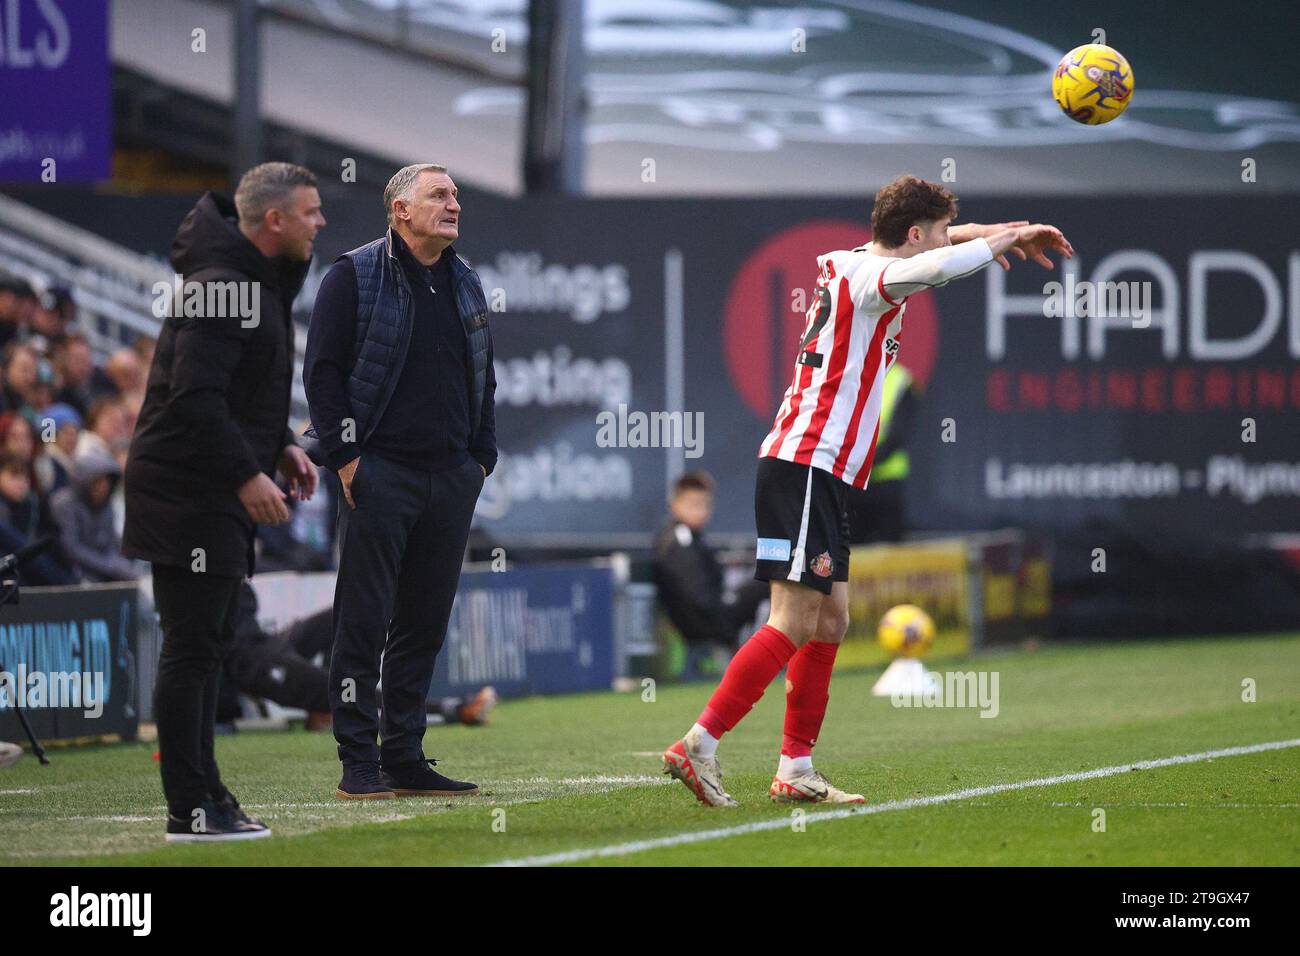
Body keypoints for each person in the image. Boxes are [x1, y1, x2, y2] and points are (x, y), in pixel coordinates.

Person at [661, 175, 1072, 806]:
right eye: (932, 233)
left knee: (832, 620)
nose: (940, 242)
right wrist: (1004, 239)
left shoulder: (852, 259)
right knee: (794, 620)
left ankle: (795, 769)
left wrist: (998, 230)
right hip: (804, 462)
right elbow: (938, 265)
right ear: (913, 235)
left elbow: (940, 244)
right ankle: (700, 744)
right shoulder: (874, 279)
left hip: (822, 470)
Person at [122, 162, 325, 842]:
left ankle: (207, 796)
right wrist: (246, 475)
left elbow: (237, 396)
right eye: (310, 212)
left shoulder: (255, 284)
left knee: (206, 645)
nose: (319, 223)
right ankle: (193, 807)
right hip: (185, 491)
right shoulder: (219, 287)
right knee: (191, 648)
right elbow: (196, 398)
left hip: (205, 487)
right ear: (275, 220)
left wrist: (279, 450)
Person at [304, 163, 496, 801]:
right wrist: (348, 458)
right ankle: (358, 763)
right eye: (439, 196)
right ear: (400, 211)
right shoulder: (351, 275)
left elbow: (483, 376)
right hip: (379, 472)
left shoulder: (464, 280)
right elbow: (323, 375)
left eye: (456, 195)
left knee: (423, 624)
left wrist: (480, 459)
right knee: (361, 621)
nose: (454, 204)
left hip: (450, 476)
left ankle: (405, 756)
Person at [652, 471, 767, 680]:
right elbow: (698, 596)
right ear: (675, 505)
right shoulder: (679, 540)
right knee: (769, 583)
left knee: (764, 583)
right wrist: (727, 601)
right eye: (694, 504)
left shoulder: (692, 538)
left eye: (706, 504)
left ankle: (759, 657)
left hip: (711, 616)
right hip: (705, 623)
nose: (702, 511)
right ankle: (761, 659)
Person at [846, 360, 918, 544]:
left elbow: (898, 436)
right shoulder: (848, 378)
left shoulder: (901, 382)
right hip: (854, 484)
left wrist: (860, 462)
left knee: (891, 556)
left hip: (886, 482)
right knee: (853, 554)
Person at [49, 447, 140, 583]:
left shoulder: (106, 503)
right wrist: (110, 566)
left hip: (104, 568)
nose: (103, 487)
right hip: (73, 572)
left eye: (106, 481)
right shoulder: (64, 503)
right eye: (97, 482)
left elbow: (111, 542)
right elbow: (71, 548)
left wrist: (120, 564)